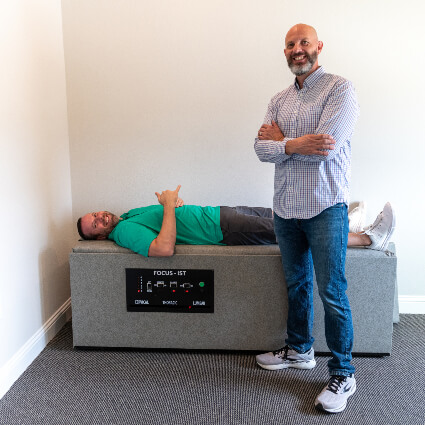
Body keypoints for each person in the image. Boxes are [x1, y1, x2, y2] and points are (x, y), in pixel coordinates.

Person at [253, 23, 384, 413]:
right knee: (297, 284)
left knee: (333, 292)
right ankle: (299, 350)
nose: (297, 49)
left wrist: (283, 143)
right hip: (285, 208)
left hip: (326, 207)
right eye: (291, 44)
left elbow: (326, 146)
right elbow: (261, 148)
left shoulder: (340, 89)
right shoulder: (278, 99)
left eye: (304, 42)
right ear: (285, 52)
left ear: (318, 47)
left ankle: (343, 373)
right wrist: (295, 143)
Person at [77, 185, 395, 259]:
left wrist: (174, 206)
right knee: (290, 230)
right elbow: (163, 248)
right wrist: (170, 207)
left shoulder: (128, 215)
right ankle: (367, 239)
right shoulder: (123, 232)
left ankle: (346, 225)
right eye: (95, 225)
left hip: (220, 214)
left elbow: (167, 222)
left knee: (286, 215)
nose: (99, 218)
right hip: (224, 230)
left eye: (95, 214)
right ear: (98, 237)